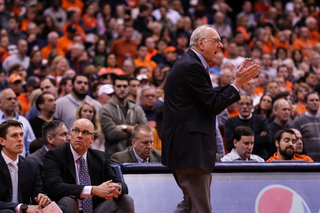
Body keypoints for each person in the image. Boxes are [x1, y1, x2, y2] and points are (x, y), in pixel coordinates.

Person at [162, 25, 260, 213]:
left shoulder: (190, 63)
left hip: (186, 149)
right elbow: (213, 105)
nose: (221, 46)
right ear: (201, 43)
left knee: (189, 205)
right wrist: (237, 83)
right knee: (200, 208)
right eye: (216, 41)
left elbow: (208, 99)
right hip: (190, 150)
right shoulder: (191, 66)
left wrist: (234, 83)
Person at [42, 118, 134, 213]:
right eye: (76, 131)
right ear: (70, 134)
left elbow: (122, 185)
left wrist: (114, 188)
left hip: (96, 209)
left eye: (85, 132)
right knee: (69, 201)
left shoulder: (99, 157)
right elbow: (55, 187)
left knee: (126, 199)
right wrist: (93, 190)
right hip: (68, 208)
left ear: (92, 139)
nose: (79, 136)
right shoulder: (55, 155)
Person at [0, 120, 60, 213]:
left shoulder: (31, 165)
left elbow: (37, 194)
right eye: (14, 135)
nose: (20, 139)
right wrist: (21, 207)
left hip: (26, 210)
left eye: (21, 134)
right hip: (6, 210)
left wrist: (42, 198)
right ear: (2, 141)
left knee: (61, 209)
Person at [99, 75, 149, 158]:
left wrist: (123, 127)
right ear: (114, 88)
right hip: (114, 158)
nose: (122, 89)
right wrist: (135, 129)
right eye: (119, 86)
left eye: (125, 86)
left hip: (135, 158)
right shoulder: (105, 109)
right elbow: (112, 134)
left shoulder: (137, 109)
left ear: (129, 88)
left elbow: (146, 131)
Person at [225, 94, 271, 160]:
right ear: (237, 106)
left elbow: (268, 140)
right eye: (241, 104)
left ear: (252, 106)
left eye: (247, 104)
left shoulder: (261, 119)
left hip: (260, 159)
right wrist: (259, 138)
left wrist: (242, 142)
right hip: (236, 161)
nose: (244, 107)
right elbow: (229, 144)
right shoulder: (230, 122)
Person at [0, 89, 35, 157]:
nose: (13, 101)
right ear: (0, 102)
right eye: (9, 99)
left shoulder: (24, 121)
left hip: (21, 164)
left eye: (15, 98)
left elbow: (31, 146)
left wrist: (28, 163)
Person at [293, 92, 320, 161]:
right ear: (305, 103)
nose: (315, 102)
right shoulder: (299, 121)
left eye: (317, 100)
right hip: (308, 163)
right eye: (311, 100)